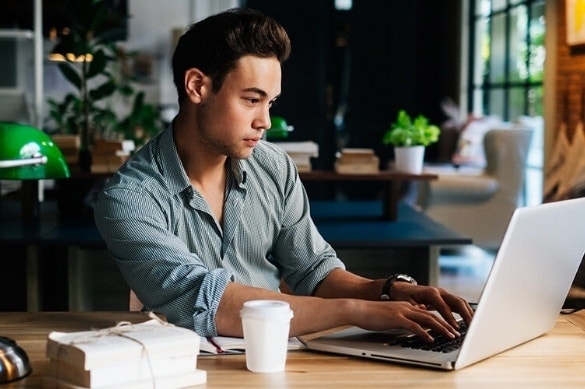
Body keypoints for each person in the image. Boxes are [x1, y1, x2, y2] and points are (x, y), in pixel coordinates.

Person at [94, 8, 473, 342]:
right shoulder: (129, 199)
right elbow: (207, 300)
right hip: (189, 371)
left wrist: (385, 290)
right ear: (197, 86)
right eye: (251, 99)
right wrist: (356, 310)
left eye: (270, 102)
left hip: (280, 357)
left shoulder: (273, 166)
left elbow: (313, 270)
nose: (265, 121)